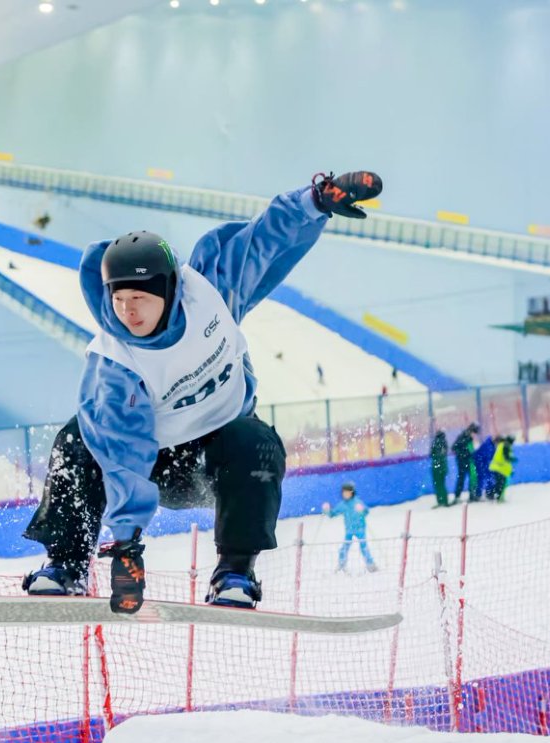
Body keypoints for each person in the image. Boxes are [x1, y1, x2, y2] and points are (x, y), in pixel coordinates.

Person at [20, 170, 383, 612]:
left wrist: (315, 200)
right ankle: (65, 565)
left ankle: (234, 573)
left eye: (140, 298)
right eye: (119, 298)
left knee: (257, 440)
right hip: (151, 463)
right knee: (76, 440)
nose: (128, 311)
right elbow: (121, 454)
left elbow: (262, 239)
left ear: (170, 291)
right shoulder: (113, 364)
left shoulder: (211, 290)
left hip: (217, 458)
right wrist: (127, 544)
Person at [323, 482, 377, 574]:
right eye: (344, 493)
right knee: (344, 548)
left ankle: (371, 565)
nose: (346, 494)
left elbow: (366, 512)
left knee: (364, 548)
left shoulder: (357, 502)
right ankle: (341, 565)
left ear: (352, 493)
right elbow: (332, 514)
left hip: (360, 529)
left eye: (348, 492)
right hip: (349, 530)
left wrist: (362, 510)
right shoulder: (343, 504)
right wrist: (327, 510)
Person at [451, 425, 477, 503]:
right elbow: (454, 447)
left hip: (466, 461)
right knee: (462, 478)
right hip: (463, 461)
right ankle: (458, 496)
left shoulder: (467, 437)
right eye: (473, 432)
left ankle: (471, 495)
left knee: (470, 478)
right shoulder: (464, 437)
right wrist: (465, 453)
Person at [487, 435, 516, 501]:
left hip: (497, 468)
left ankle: (491, 495)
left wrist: (510, 470)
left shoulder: (502, 445)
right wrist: (512, 459)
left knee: (498, 484)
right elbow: (506, 458)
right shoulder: (506, 446)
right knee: (500, 484)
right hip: (499, 469)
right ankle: (497, 497)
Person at [473, 432, 496, 502]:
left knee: (484, 479)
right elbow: (487, 457)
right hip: (481, 463)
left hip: (482, 463)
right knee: (484, 479)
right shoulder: (489, 446)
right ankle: (482, 494)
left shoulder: (489, 444)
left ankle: (482, 494)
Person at [430, 430, 450, 507]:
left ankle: (441, 501)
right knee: (442, 485)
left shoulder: (435, 442)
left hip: (436, 468)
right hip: (443, 467)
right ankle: (445, 501)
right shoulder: (444, 443)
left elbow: (432, 454)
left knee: (438, 485)